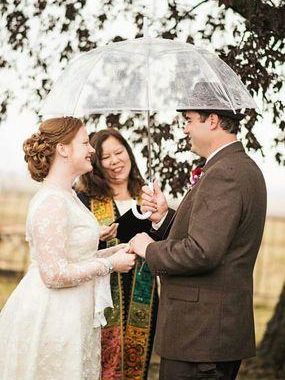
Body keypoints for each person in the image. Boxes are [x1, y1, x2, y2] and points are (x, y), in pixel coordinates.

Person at [129, 101, 267, 379]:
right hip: (211, 334)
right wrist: (165, 217)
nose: (184, 129)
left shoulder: (224, 173)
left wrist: (149, 249)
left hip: (200, 336)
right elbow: (212, 236)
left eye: (189, 120)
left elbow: (202, 251)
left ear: (213, 120)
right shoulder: (238, 167)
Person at [0, 117, 136, 380]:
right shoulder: (52, 201)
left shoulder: (68, 195)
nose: (92, 150)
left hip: (74, 313)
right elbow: (54, 275)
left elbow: (76, 257)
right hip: (54, 316)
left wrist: (114, 251)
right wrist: (110, 265)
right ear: (63, 149)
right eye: (85, 143)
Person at [76, 128, 158, 380]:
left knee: (136, 366)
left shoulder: (147, 197)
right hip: (100, 298)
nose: (115, 161)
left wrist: (155, 218)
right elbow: (75, 248)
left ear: (129, 153)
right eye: (105, 157)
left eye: (119, 152)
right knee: (102, 366)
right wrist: (97, 237)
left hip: (142, 296)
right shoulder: (84, 199)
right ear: (96, 164)